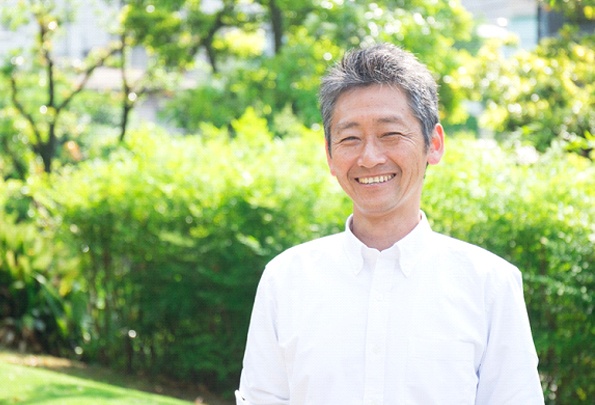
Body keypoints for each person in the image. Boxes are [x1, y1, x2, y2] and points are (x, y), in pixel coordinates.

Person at [235, 43, 544, 405]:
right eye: (350, 138)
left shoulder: (490, 284)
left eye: (390, 134)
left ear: (434, 143)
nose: (369, 158)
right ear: (330, 156)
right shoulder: (285, 279)